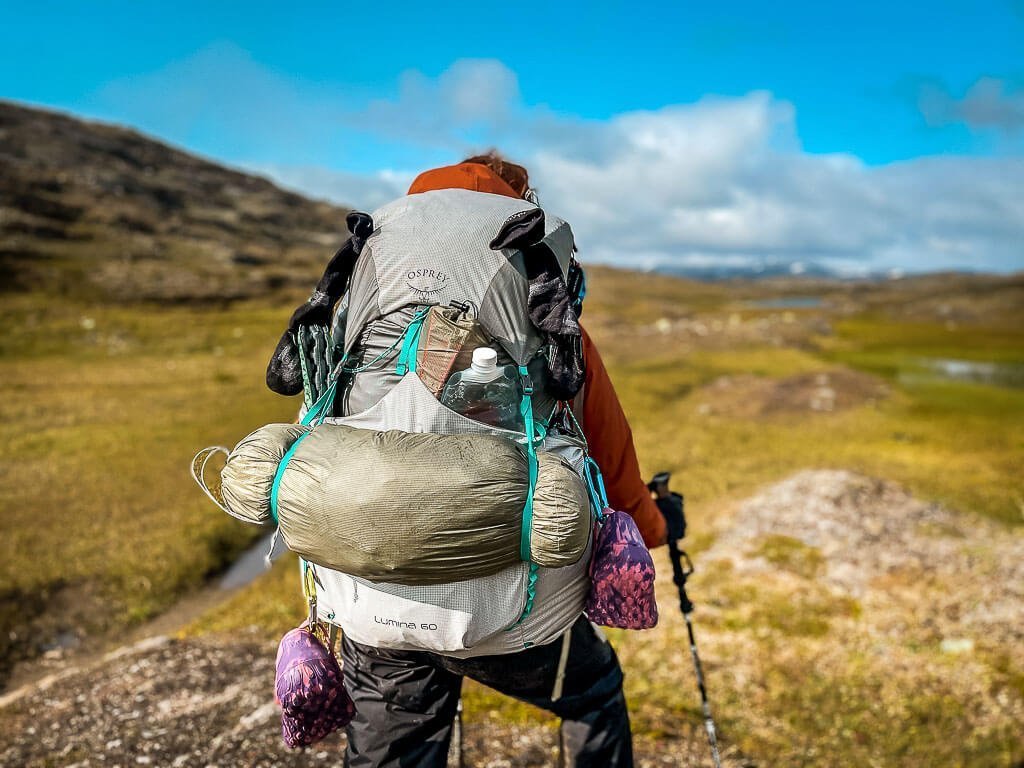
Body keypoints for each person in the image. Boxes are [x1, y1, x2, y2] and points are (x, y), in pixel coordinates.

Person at [339, 153, 666, 768]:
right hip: (509, 593)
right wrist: (654, 527)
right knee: (592, 696)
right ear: (519, 205)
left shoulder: (367, 296)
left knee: (393, 749)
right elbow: (609, 452)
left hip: (370, 579)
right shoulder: (542, 311)